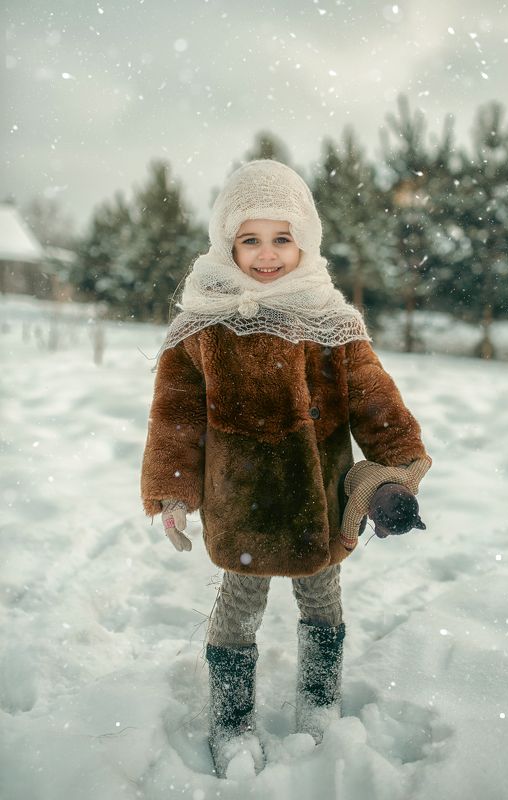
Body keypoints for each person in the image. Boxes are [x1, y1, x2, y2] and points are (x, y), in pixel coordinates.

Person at [140, 159, 431, 778]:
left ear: (306, 240)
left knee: (322, 601)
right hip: (240, 503)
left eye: (282, 237)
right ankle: (231, 716)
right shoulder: (203, 322)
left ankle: (320, 701)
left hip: (319, 495)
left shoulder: (330, 319)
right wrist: (172, 491)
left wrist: (399, 459)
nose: (267, 255)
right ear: (227, 242)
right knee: (238, 609)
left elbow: (372, 396)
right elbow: (176, 415)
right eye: (250, 239)